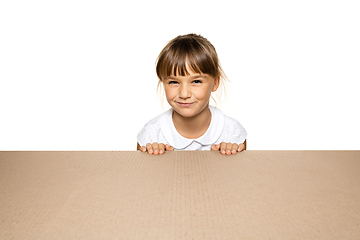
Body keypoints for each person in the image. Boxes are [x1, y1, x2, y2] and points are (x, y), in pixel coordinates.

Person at [137, 33, 247, 155]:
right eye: (173, 82)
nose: (184, 94)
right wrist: (151, 155)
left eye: (196, 81)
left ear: (215, 83)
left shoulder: (232, 132)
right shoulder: (151, 134)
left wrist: (232, 153)